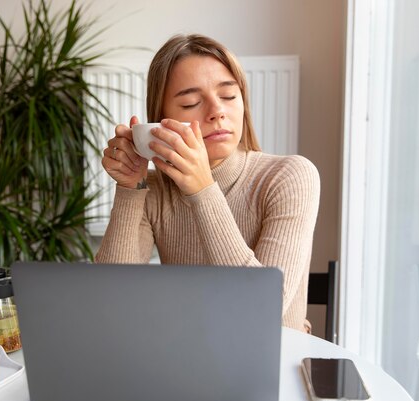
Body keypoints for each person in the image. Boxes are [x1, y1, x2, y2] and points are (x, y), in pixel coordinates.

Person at [95, 33, 320, 332]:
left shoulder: (290, 176)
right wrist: (129, 188)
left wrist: (202, 190)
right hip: (185, 358)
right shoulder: (154, 191)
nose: (218, 112)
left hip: (274, 363)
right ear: (161, 121)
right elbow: (111, 304)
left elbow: (261, 310)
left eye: (228, 96)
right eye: (191, 103)